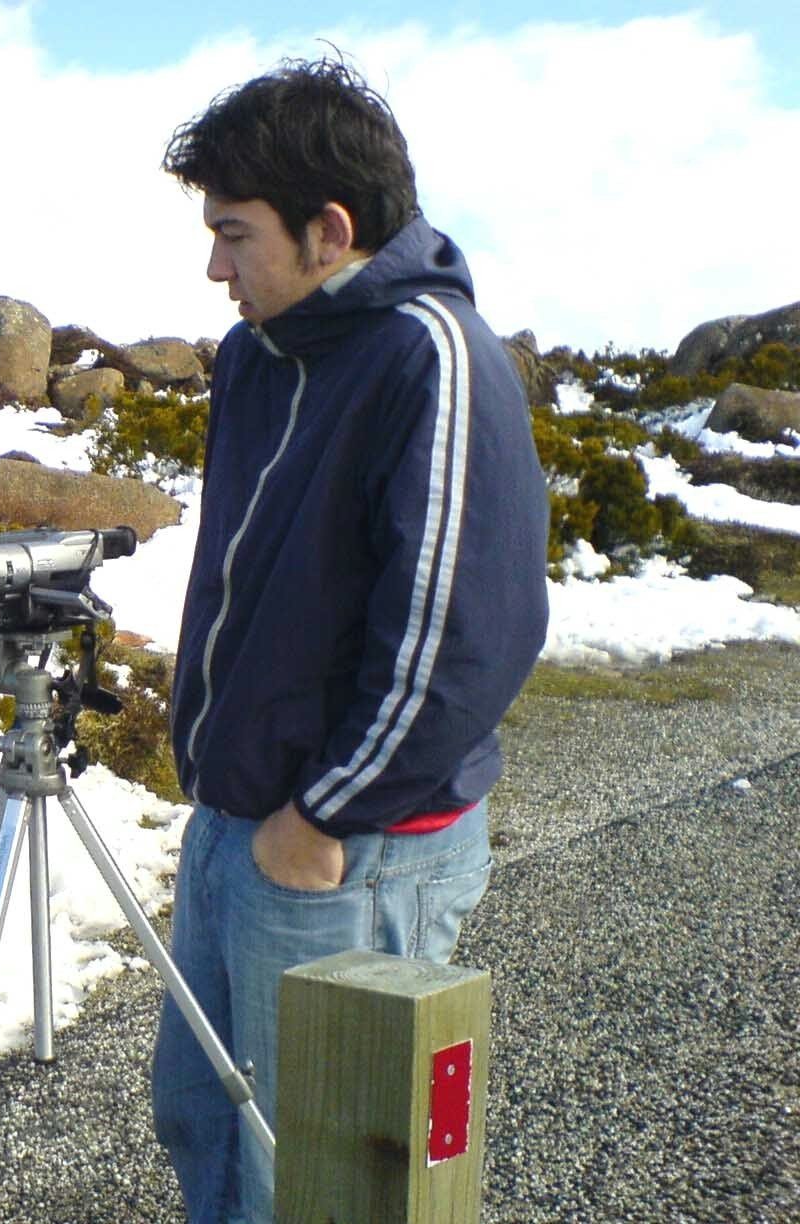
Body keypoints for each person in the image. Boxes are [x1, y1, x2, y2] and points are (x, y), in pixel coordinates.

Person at [151, 58, 549, 1223]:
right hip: (238, 822)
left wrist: (322, 811)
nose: (214, 266)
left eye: (235, 233)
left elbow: (466, 631)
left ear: (330, 230)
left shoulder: (432, 354)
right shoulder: (259, 357)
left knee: (330, 1174)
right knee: (203, 1116)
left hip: (351, 847)